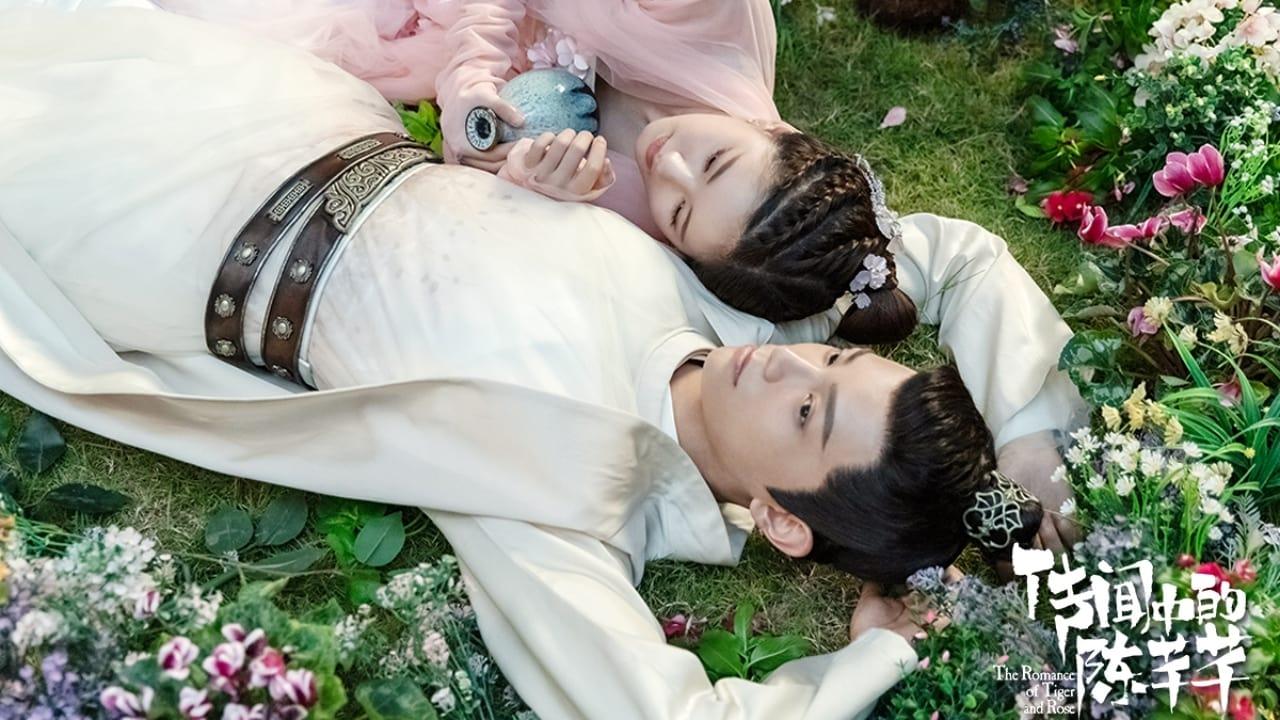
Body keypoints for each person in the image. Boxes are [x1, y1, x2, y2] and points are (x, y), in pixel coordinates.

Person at [0, 4, 1088, 718]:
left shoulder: (573, 497)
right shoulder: (725, 313)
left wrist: (876, 656)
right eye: (833, 371)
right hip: (288, 111)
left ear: (780, 522)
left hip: (174, 237)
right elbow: (952, 258)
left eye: (809, 418)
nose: (790, 376)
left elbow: (651, 708)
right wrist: (1027, 438)